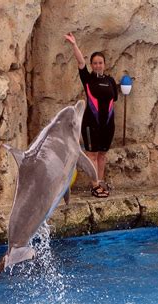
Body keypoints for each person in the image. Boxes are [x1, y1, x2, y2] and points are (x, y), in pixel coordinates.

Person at [64, 32, 118, 198]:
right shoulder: (88, 79)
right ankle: (94, 186)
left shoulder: (110, 81)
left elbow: (113, 101)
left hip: (107, 124)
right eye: (94, 63)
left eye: (100, 63)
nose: (97, 65)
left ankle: (100, 183)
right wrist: (74, 44)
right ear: (92, 65)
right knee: (92, 155)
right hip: (91, 123)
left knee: (102, 155)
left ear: (104, 64)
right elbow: (80, 61)